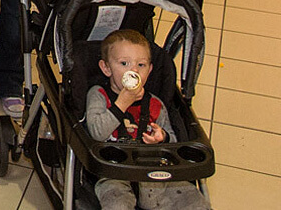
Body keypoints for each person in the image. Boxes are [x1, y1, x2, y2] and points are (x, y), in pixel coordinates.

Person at [83, 30, 208, 210]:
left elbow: (173, 140)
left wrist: (162, 138)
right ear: (106, 68)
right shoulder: (99, 95)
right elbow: (96, 133)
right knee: (117, 203)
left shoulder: (155, 104)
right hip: (114, 174)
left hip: (155, 173)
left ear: (149, 70)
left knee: (194, 200)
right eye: (124, 63)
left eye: (141, 65)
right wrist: (122, 104)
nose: (134, 70)